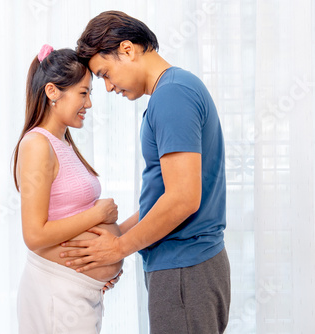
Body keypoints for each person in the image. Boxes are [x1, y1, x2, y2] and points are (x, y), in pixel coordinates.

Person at [59, 11, 231, 334]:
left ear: (127, 49)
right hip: (186, 270)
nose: (108, 87)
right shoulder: (175, 90)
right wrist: (117, 236)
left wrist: (120, 248)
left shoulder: (172, 96)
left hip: (185, 271)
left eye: (106, 74)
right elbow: (167, 196)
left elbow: (183, 199)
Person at [13, 45, 123, 334]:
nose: (89, 104)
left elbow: (69, 217)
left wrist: (108, 258)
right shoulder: (37, 145)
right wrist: (98, 214)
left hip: (77, 294)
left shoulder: (63, 144)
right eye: (83, 93)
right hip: (55, 296)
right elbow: (35, 235)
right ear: (52, 92)